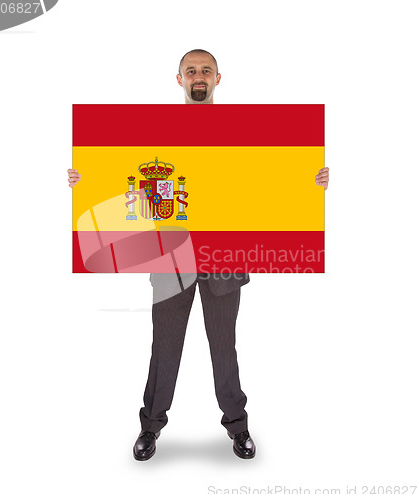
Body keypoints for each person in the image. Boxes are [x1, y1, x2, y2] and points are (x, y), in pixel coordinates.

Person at [68, 49, 330, 462]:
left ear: (218, 78)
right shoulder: (157, 131)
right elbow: (128, 178)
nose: (198, 76)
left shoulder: (242, 131)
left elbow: (265, 177)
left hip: (224, 259)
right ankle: (150, 427)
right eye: (191, 70)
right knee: (165, 347)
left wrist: (309, 180)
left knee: (224, 347)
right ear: (179, 80)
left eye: (205, 70)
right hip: (171, 259)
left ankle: (237, 426)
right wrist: (88, 177)